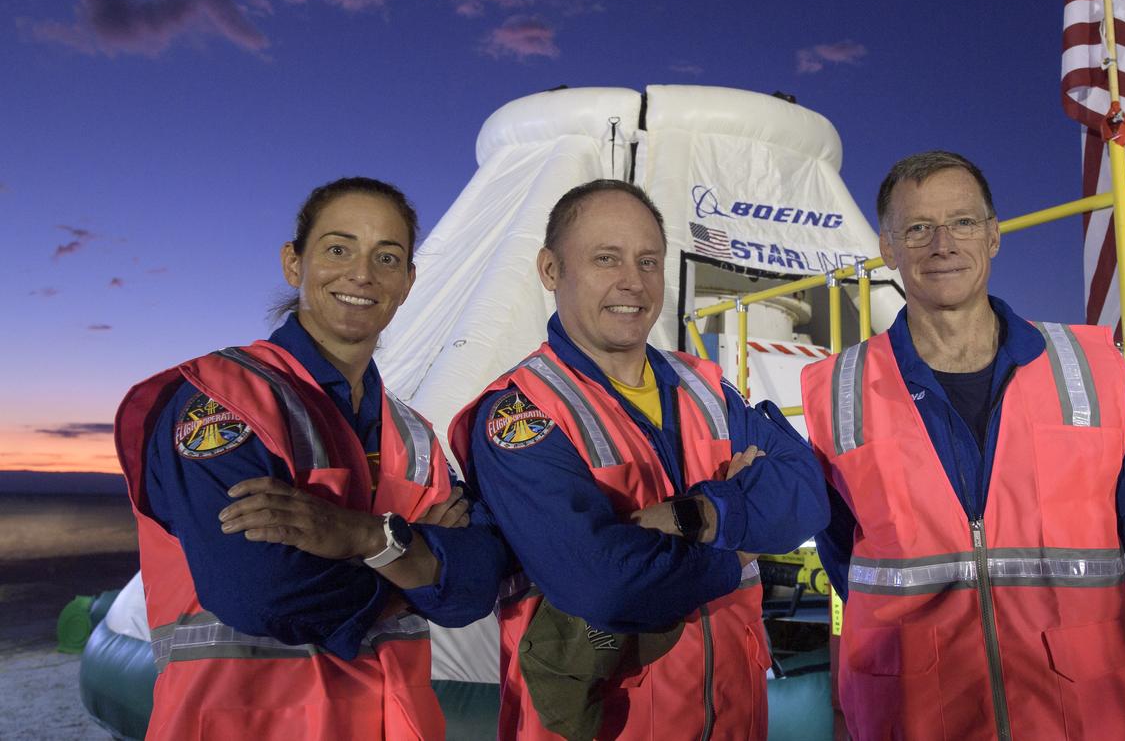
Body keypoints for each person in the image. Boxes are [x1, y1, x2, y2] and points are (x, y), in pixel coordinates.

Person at [801, 151, 1125, 740]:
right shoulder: (837, 389)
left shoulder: (1088, 369)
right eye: (918, 228)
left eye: (964, 222)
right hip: (919, 714)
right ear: (888, 250)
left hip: (1077, 713)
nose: (942, 244)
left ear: (995, 235)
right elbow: (843, 555)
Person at [115, 177, 507, 739]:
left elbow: (476, 585)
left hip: (392, 724)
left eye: (387, 257)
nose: (362, 274)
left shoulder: (413, 435)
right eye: (338, 248)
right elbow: (261, 594)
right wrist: (416, 574)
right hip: (248, 725)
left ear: (408, 282)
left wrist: (363, 539)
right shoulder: (219, 403)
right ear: (294, 263)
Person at [449, 179, 829, 740]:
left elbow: (807, 495)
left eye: (648, 261)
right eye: (606, 259)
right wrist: (742, 546)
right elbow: (605, 584)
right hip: (610, 724)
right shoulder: (521, 414)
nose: (633, 281)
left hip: (732, 717)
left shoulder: (707, 388)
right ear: (550, 270)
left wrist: (693, 518)